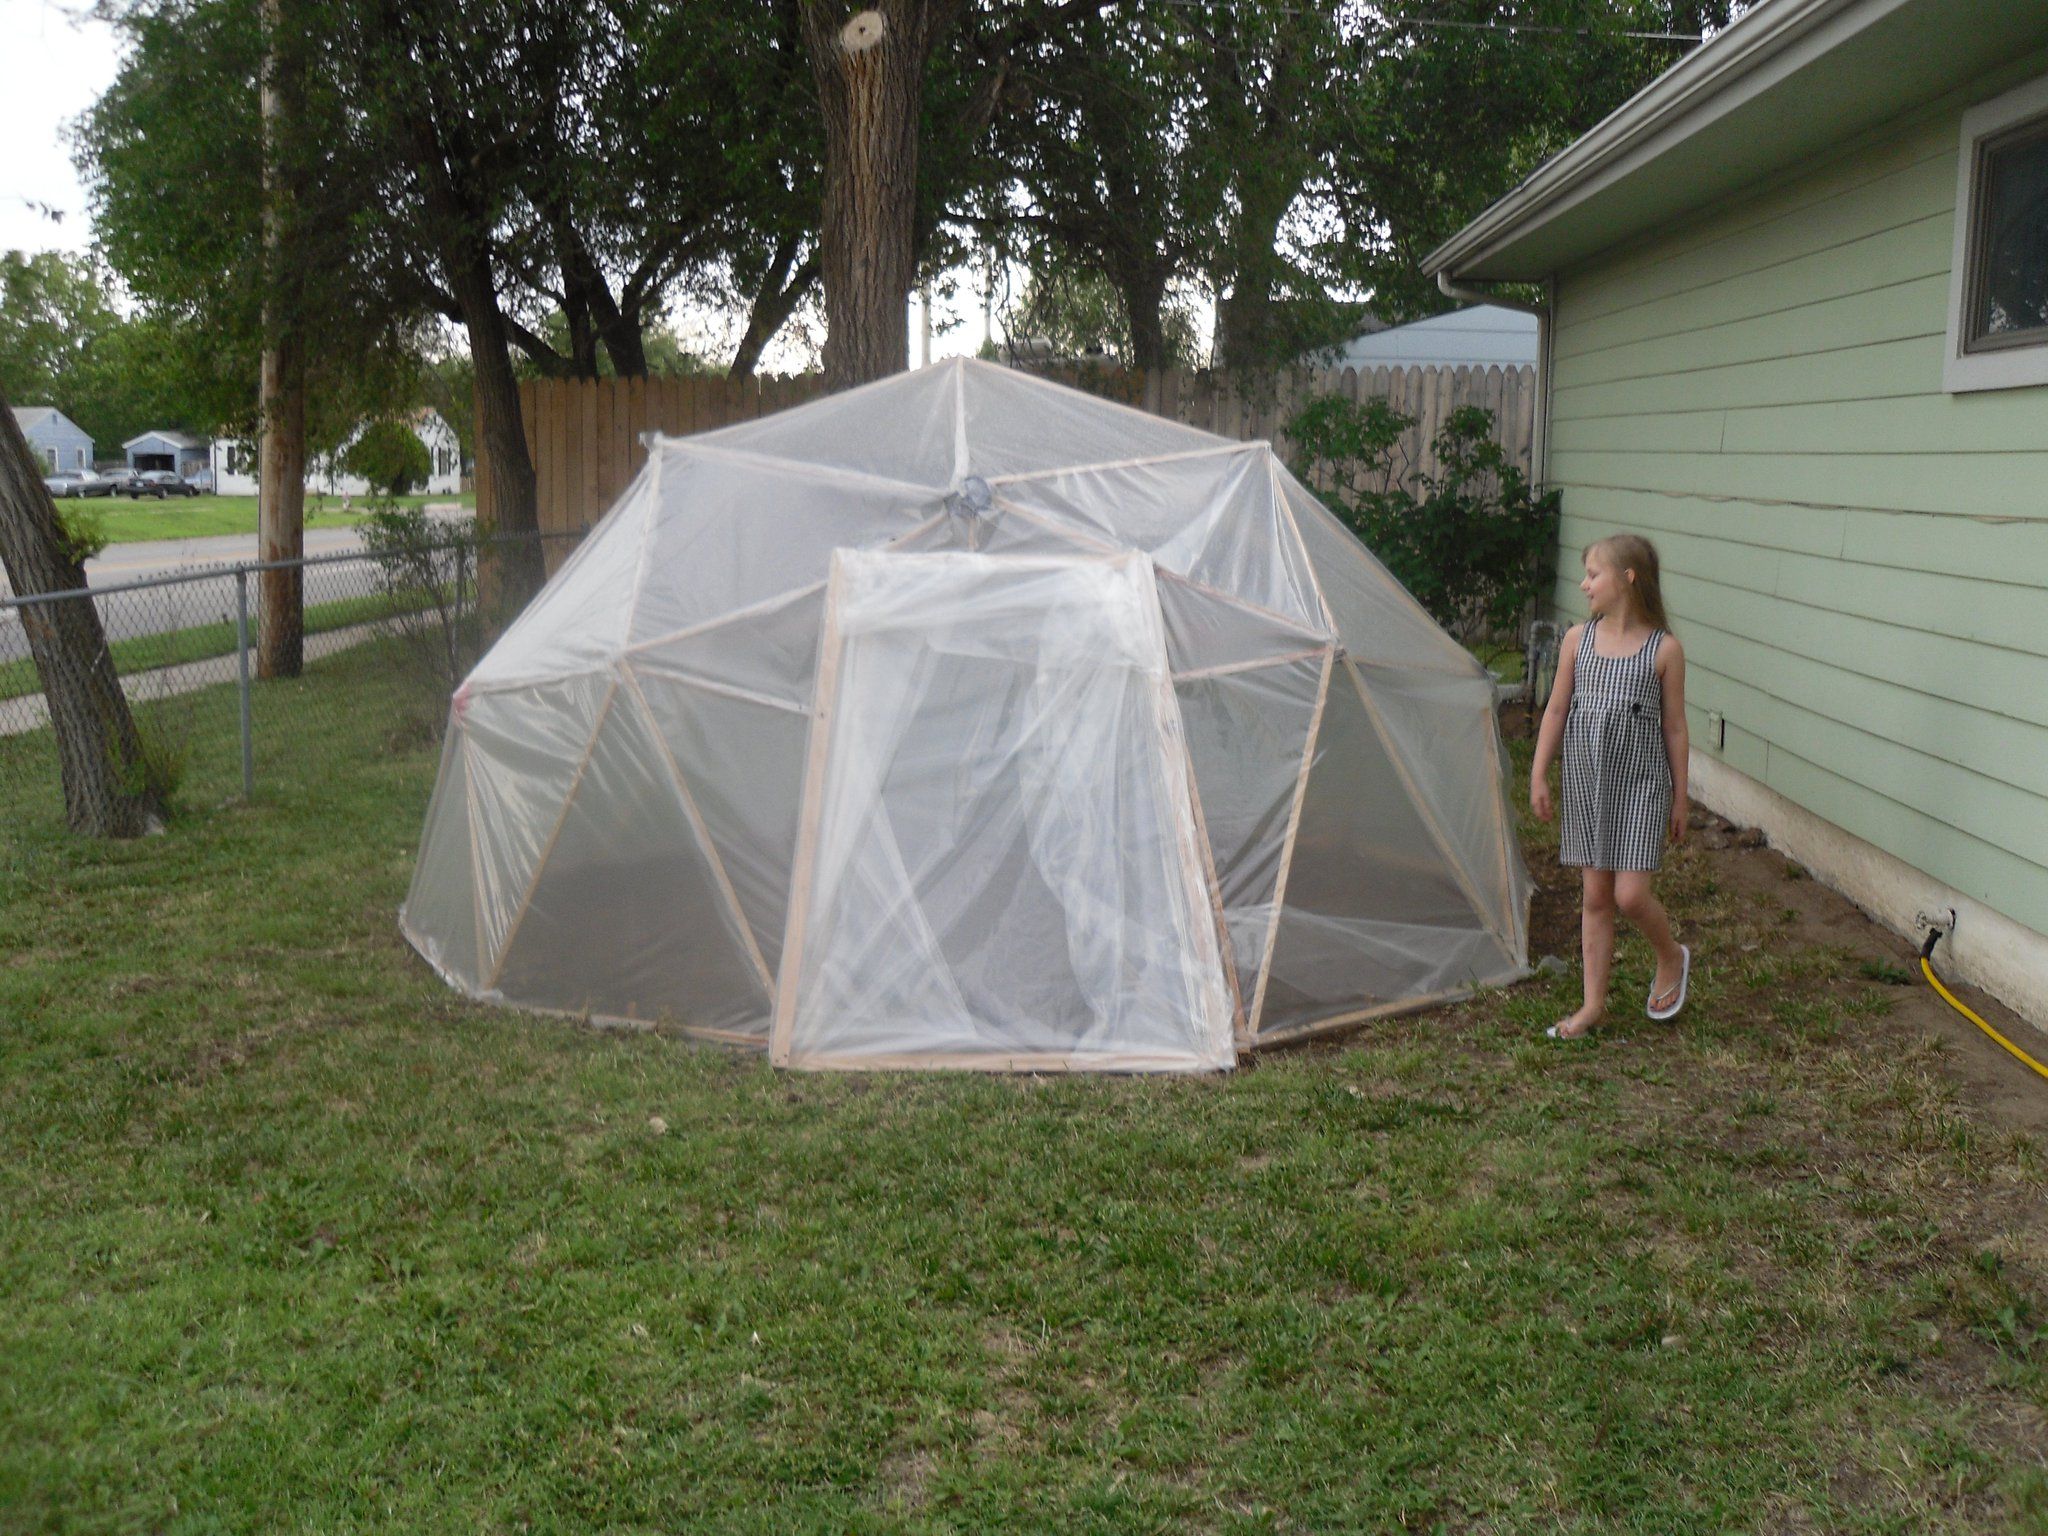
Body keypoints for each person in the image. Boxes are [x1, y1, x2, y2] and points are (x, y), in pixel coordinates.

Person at [1529, 533, 1690, 1039]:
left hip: (1642, 784)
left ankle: (1670, 955)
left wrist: (1680, 797)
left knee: (1629, 895)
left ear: (1628, 579)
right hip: (1586, 780)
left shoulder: (1664, 650)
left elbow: (1676, 729)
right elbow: (1556, 709)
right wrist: (1538, 772)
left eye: (1593, 574)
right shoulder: (1578, 640)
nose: (1584, 584)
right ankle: (1592, 1005)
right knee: (1595, 895)